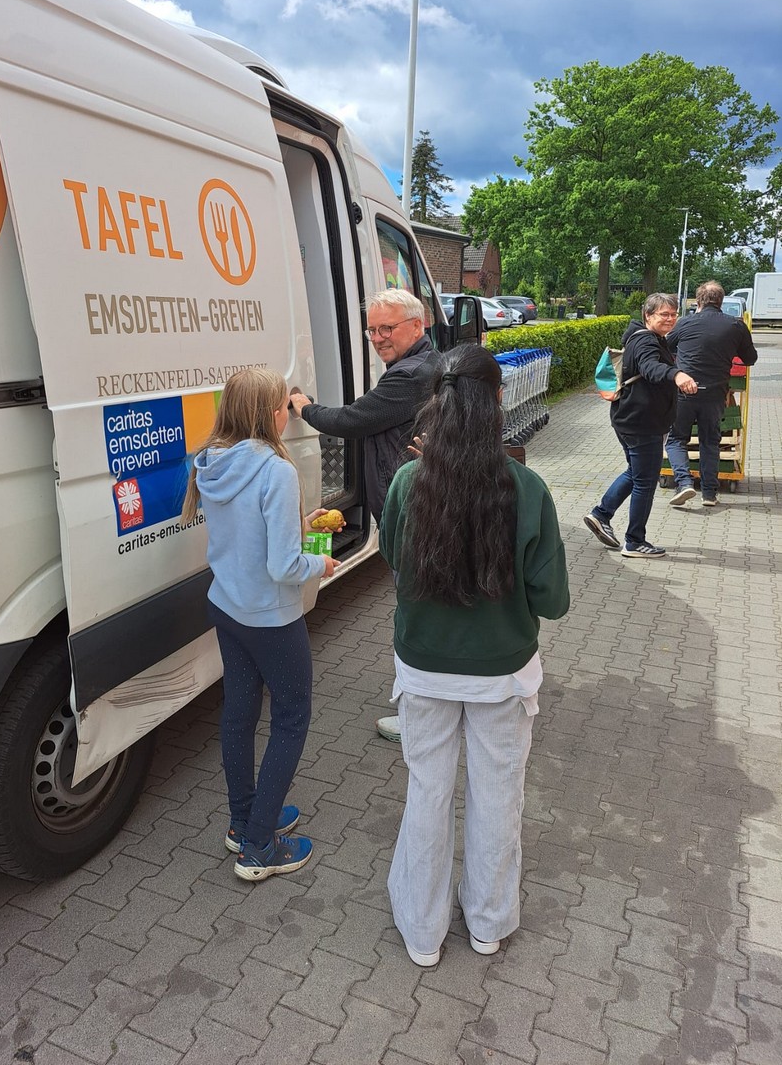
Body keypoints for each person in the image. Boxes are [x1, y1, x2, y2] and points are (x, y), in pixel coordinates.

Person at [378, 345, 570, 966]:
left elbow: (393, 560)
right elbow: (553, 599)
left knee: (427, 795)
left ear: (435, 402)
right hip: (504, 673)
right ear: (498, 400)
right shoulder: (527, 487)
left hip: (423, 667)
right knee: (497, 797)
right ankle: (488, 923)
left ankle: (422, 931)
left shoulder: (408, 482)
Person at [181, 367, 339, 882]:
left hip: (227, 607)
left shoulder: (212, 461)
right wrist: (321, 563)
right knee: (291, 718)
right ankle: (259, 847)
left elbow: (248, 535)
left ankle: (243, 819)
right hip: (271, 618)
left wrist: (299, 526)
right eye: (284, 406)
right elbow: (283, 566)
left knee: (239, 713)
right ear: (270, 414)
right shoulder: (275, 470)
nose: (288, 413)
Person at [289, 288, 440, 744]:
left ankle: (421, 717)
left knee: (416, 619)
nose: (377, 338)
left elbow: (351, 420)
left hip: (412, 517)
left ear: (417, 325)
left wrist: (303, 406)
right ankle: (430, 701)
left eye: (386, 328)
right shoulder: (426, 363)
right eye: (372, 330)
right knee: (423, 613)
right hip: (421, 510)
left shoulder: (409, 375)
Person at [583, 293, 697, 558]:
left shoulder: (649, 337)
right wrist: (676, 374)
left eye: (674, 314)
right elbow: (650, 368)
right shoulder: (646, 341)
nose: (670, 319)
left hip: (630, 419)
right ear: (648, 315)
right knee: (645, 481)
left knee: (636, 472)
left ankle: (601, 514)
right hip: (642, 424)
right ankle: (635, 541)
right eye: (664, 314)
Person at [664, 280, 758, 507]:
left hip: (684, 391)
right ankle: (709, 494)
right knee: (710, 442)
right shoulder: (735, 326)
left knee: (676, 439)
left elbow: (665, 348)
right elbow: (750, 359)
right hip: (715, 393)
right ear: (721, 301)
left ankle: (684, 483)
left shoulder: (685, 323)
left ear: (698, 301)